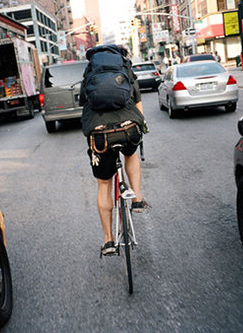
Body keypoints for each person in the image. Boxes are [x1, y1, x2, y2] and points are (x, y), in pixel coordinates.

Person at [79, 44, 150, 257]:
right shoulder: (126, 68)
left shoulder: (90, 71)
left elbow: (84, 102)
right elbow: (137, 101)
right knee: (131, 153)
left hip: (100, 134)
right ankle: (137, 199)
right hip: (129, 129)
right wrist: (141, 126)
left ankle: (108, 240)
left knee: (103, 184)